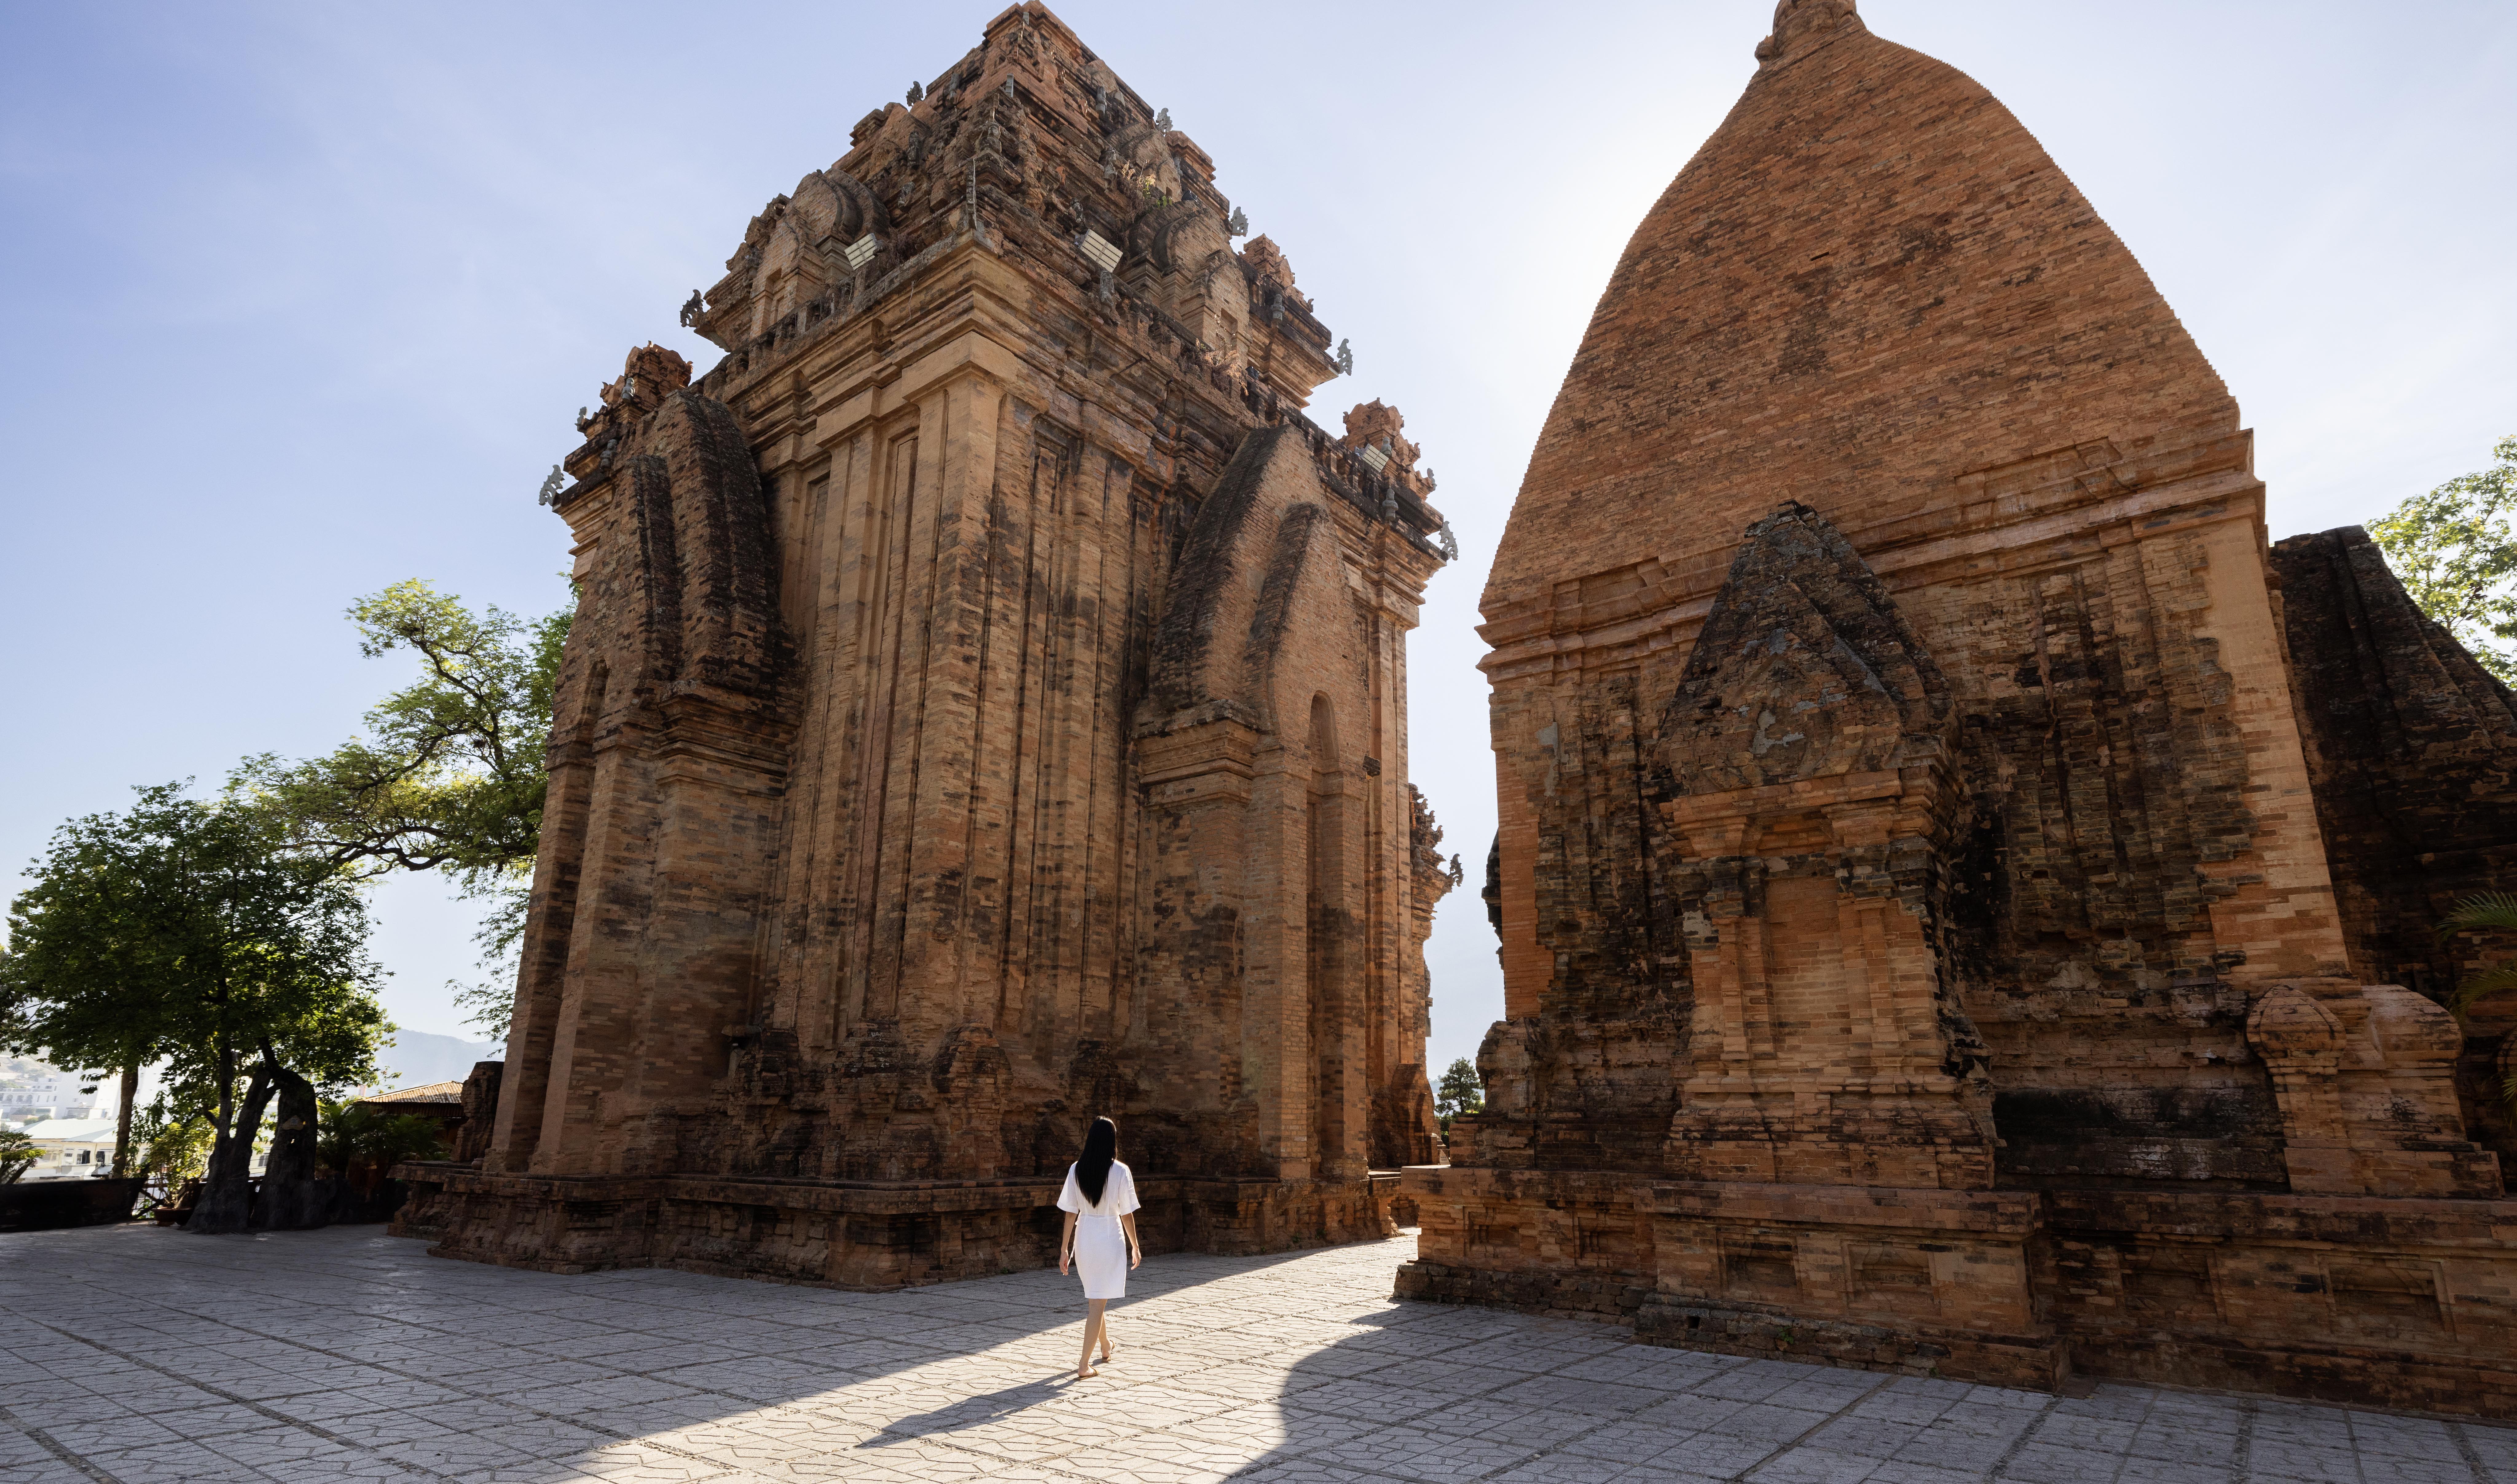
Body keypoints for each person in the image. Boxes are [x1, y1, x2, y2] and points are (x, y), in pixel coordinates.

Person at [1055, 1116, 1141, 1380]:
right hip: (1109, 1237)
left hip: (1085, 1237)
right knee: (1097, 1302)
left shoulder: (1076, 1169)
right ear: (1112, 1141)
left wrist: (1064, 1248)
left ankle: (1105, 1346)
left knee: (1096, 1297)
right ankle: (1083, 1364)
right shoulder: (1120, 1171)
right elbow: (1127, 1214)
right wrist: (1135, 1245)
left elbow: (1071, 1212)